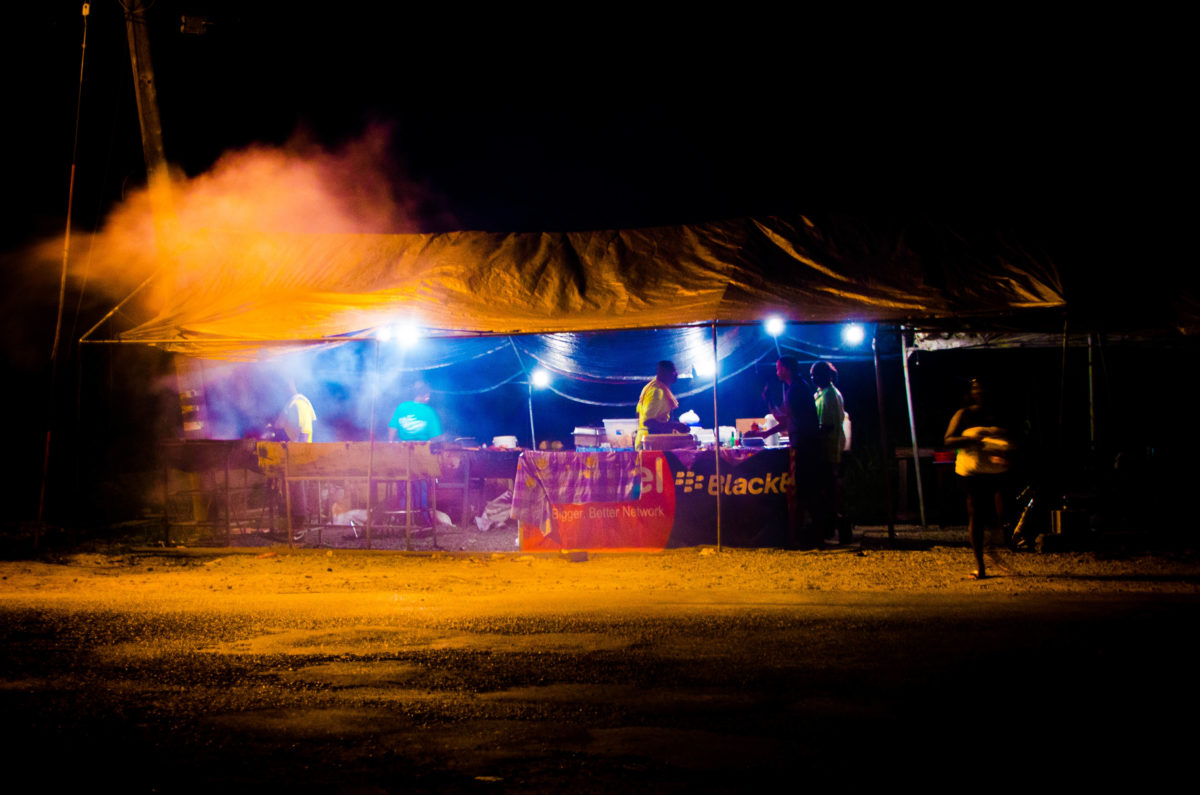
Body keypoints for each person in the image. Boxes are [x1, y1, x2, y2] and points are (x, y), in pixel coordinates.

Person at [749, 357, 821, 548]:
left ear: (787, 369)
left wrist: (769, 402)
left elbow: (783, 418)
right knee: (806, 490)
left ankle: (809, 535)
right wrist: (764, 434)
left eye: (779, 368)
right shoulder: (795, 387)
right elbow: (785, 421)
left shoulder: (796, 389)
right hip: (804, 444)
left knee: (806, 491)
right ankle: (807, 533)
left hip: (806, 445)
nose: (776, 372)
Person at [944, 377, 1011, 579]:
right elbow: (948, 440)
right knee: (976, 515)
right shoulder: (963, 414)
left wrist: (1004, 450)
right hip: (971, 471)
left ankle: (993, 546)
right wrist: (970, 440)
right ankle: (980, 564)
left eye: (982, 388)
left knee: (1001, 512)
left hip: (996, 470)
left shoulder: (997, 414)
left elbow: (1011, 439)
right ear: (970, 393)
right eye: (975, 388)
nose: (979, 391)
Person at [811, 361, 849, 544]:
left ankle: (838, 530)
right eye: (811, 375)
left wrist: (810, 437)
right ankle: (835, 529)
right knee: (830, 491)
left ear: (826, 376)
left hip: (830, 450)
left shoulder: (830, 396)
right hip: (829, 449)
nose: (812, 379)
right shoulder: (822, 394)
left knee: (830, 492)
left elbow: (826, 426)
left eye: (815, 375)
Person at [635, 360, 690, 448]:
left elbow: (639, 414)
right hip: (649, 442)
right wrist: (675, 425)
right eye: (673, 371)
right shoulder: (656, 392)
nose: (676, 374)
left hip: (650, 440)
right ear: (664, 373)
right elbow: (648, 422)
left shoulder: (655, 387)